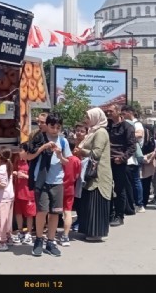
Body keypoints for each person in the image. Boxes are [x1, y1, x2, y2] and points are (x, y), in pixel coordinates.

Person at [28, 113, 70, 257]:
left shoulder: (63, 141)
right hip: (42, 180)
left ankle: (50, 242)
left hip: (57, 181)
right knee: (42, 211)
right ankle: (39, 240)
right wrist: (42, 148)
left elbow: (67, 162)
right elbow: (28, 155)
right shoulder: (39, 138)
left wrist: (59, 156)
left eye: (58, 127)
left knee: (55, 212)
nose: (55, 130)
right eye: (52, 126)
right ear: (47, 125)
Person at [77, 107, 112, 242]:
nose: (86, 120)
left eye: (88, 117)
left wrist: (81, 151)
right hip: (91, 174)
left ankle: (96, 232)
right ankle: (88, 230)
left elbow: (96, 153)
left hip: (99, 175)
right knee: (89, 202)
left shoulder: (101, 132)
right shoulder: (94, 132)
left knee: (96, 202)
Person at [105, 104, 136, 226]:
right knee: (107, 188)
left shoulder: (127, 127)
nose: (108, 113)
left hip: (119, 162)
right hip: (107, 161)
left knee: (119, 189)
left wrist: (122, 158)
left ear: (118, 112)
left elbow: (132, 146)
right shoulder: (107, 125)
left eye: (111, 111)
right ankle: (109, 213)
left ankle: (119, 215)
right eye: (107, 111)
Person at [122, 105, 145, 213]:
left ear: (130, 112)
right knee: (130, 181)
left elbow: (140, 135)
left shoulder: (137, 124)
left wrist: (126, 133)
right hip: (128, 156)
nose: (123, 115)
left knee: (135, 181)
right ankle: (131, 203)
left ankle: (139, 204)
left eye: (124, 113)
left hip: (134, 156)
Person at [12, 144, 35, 245]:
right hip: (18, 191)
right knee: (18, 213)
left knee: (29, 214)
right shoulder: (18, 161)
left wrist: (25, 176)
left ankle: (29, 233)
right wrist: (15, 173)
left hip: (29, 192)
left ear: (27, 152)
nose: (19, 152)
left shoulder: (32, 163)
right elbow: (13, 170)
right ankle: (20, 231)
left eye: (21, 150)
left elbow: (35, 178)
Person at [60, 141, 82, 246]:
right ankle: (65, 236)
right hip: (70, 187)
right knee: (67, 212)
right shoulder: (76, 160)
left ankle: (50, 233)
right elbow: (78, 175)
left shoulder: (59, 159)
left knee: (53, 212)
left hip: (58, 187)